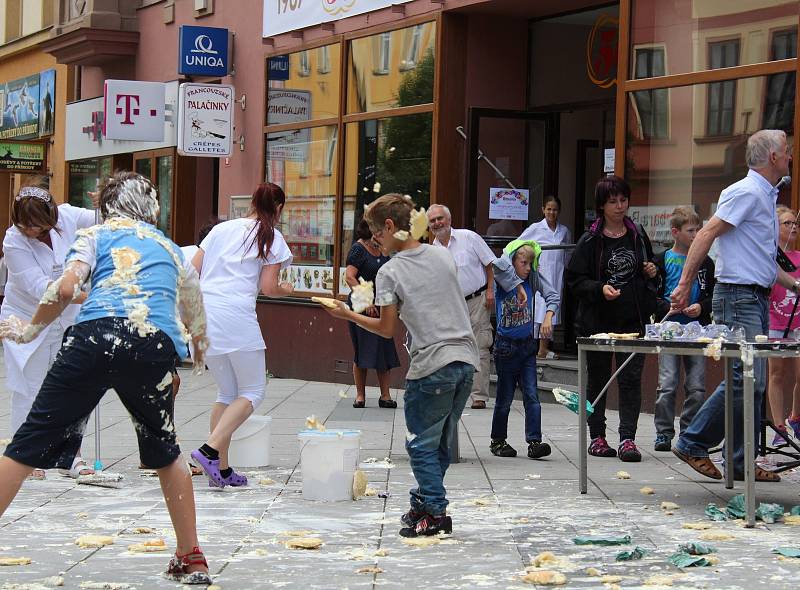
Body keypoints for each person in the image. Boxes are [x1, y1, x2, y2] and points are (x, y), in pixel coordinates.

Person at [0, 171, 212, 584]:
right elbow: (194, 309)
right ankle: (191, 556)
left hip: (94, 337)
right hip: (154, 345)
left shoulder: (95, 235)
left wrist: (27, 331)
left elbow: (64, 289)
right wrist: (195, 353)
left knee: (25, 445)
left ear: (106, 209)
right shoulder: (169, 247)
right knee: (167, 452)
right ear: (151, 208)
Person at [324, 194, 479, 538]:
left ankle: (436, 513)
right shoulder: (441, 254)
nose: (375, 240)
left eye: (377, 233)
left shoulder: (389, 271)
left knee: (420, 446)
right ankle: (422, 503)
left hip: (432, 365)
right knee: (438, 444)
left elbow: (387, 329)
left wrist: (346, 313)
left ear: (391, 227)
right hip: (466, 362)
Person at [670, 129, 796, 483]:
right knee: (744, 378)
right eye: (786, 151)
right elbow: (708, 233)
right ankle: (695, 441)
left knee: (749, 381)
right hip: (739, 296)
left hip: (752, 295)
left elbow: (763, 259)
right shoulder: (746, 191)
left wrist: (794, 284)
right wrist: (684, 284)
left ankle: (739, 461)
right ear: (772, 157)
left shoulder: (764, 195)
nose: (790, 156)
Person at [190, 183, 293, 489]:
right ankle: (210, 450)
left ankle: (220, 471)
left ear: (251, 202)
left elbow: (192, 270)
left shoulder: (221, 230)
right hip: (235, 315)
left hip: (204, 314)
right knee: (253, 391)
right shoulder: (271, 235)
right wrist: (288, 289)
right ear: (279, 209)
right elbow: (270, 288)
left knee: (226, 393)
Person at [1, 181, 98, 480]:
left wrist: (104, 202)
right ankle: (24, 454)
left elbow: (103, 220)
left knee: (74, 384)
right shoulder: (13, 241)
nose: (33, 232)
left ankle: (72, 456)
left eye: (41, 227)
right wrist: (82, 293)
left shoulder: (68, 216)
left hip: (68, 316)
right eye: (27, 226)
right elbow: (38, 287)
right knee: (29, 386)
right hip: (28, 317)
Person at [565, 175, 658, 463]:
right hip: (598, 322)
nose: (620, 206)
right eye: (613, 201)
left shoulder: (637, 234)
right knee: (599, 380)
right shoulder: (591, 239)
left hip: (633, 321)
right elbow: (573, 280)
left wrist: (652, 271)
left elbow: (651, 270)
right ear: (602, 206)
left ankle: (628, 438)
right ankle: (597, 436)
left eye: (623, 200)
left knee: (631, 381)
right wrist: (599, 289)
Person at [489, 239, 559, 459]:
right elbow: (497, 264)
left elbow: (553, 296)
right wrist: (517, 285)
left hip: (527, 346)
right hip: (505, 347)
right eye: (523, 262)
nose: (528, 268)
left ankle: (534, 441)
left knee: (532, 396)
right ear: (513, 262)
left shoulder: (533, 278)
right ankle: (498, 440)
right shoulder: (502, 279)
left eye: (531, 263)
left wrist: (548, 315)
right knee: (505, 398)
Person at [652, 206, 715, 452]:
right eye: (691, 230)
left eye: (699, 229)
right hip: (669, 327)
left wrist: (701, 307)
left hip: (697, 329)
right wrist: (666, 306)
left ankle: (689, 431)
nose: (697, 234)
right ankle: (664, 432)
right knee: (667, 384)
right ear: (675, 232)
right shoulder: (661, 260)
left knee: (697, 386)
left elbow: (712, 294)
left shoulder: (706, 262)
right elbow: (652, 294)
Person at [428, 204, 494, 409]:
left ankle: (479, 396)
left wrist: (491, 290)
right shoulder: (432, 251)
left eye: (440, 218)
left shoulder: (469, 238)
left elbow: (490, 264)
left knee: (480, 346)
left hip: (477, 300)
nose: (437, 223)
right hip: (452, 305)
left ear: (449, 219)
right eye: (433, 221)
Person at [344, 218, 400, 408]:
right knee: (362, 350)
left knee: (384, 348)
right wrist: (366, 300)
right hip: (362, 304)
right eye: (378, 230)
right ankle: (360, 395)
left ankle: (385, 395)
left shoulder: (383, 248)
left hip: (382, 305)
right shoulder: (358, 249)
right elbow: (349, 277)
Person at [519, 195, 572, 359]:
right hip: (541, 273)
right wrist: (529, 264)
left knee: (552, 308)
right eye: (548, 209)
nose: (551, 212)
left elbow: (568, 252)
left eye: (555, 209)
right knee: (541, 309)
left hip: (557, 273)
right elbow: (519, 244)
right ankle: (540, 348)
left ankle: (544, 348)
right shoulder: (535, 228)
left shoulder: (564, 231)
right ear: (543, 210)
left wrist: (567, 267)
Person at [766, 206, 800, 445]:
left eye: (795, 224)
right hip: (775, 322)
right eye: (787, 223)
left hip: (798, 322)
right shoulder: (769, 255)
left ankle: (795, 417)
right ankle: (779, 427)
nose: (793, 227)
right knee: (776, 374)